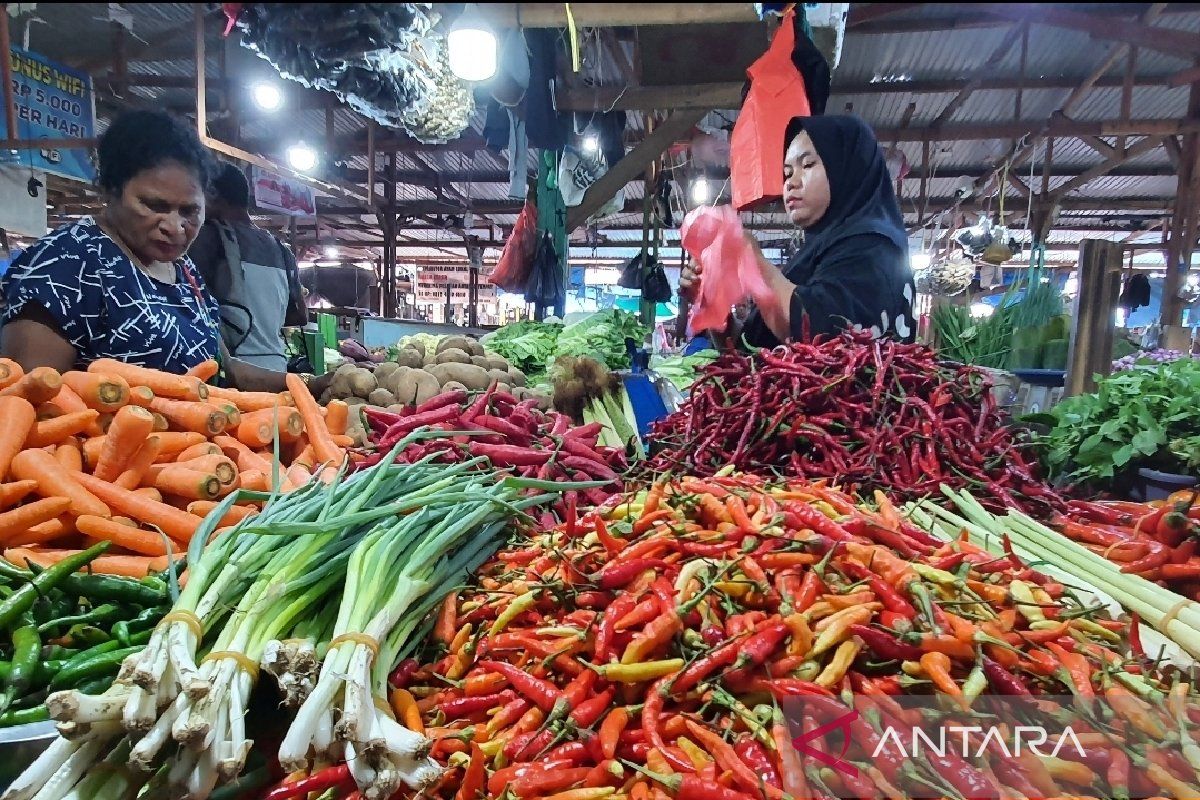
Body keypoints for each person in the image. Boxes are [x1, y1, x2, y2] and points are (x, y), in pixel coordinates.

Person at [0, 110, 307, 392]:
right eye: (154, 205)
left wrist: (308, 386)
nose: (175, 226)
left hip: (201, 449)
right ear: (111, 191)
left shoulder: (184, 271)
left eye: (189, 210)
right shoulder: (66, 263)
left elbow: (224, 371)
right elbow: (31, 400)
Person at [680, 115, 916, 348]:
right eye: (788, 172)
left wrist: (751, 257)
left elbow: (822, 341)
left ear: (847, 168)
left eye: (807, 164)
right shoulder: (816, 257)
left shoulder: (873, 247)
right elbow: (753, 353)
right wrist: (711, 302)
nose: (791, 182)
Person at [187, 162, 308, 372]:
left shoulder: (207, 239)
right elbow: (299, 316)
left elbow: (191, 305)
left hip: (229, 371)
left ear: (212, 193)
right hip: (276, 367)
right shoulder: (282, 250)